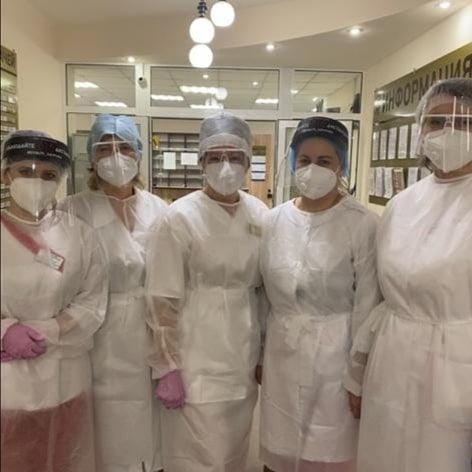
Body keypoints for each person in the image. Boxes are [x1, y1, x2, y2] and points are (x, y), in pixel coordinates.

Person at [348, 78, 472, 472]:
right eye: (436, 121)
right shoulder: (402, 205)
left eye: (465, 122)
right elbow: (381, 300)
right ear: (420, 129)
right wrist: (357, 373)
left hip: (457, 372)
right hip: (391, 360)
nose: (449, 131)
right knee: (384, 456)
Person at [145, 111, 268, 472]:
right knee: (198, 459)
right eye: (215, 156)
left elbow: (265, 292)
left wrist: (264, 354)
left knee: (235, 454)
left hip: (242, 359)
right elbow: (162, 299)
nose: (225, 166)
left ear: (248, 162)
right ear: (201, 161)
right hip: (195, 360)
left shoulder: (260, 214)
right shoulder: (178, 217)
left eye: (235, 156)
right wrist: (167, 366)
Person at [259, 117, 381, 472]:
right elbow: (263, 296)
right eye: (305, 160)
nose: (313, 169)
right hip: (281, 352)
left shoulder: (362, 223)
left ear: (341, 165)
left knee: (329, 453)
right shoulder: (273, 221)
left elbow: (368, 304)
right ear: (293, 162)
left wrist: (358, 376)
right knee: (280, 450)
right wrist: (259, 353)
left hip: (336, 357)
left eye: (324, 161)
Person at [61, 115, 167, 472]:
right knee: (104, 428)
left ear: (139, 154)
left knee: (149, 426)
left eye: (125, 147)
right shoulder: (72, 209)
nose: (116, 157)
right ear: (91, 157)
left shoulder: (160, 209)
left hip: (150, 331)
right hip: (96, 335)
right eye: (105, 149)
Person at [0, 130, 108, 472]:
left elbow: (92, 301)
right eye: (25, 171)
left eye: (48, 175)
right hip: (7, 382)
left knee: (64, 459)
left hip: (65, 376)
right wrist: (5, 331)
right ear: (5, 174)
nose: (37, 181)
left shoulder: (79, 234)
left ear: (60, 181)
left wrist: (47, 330)